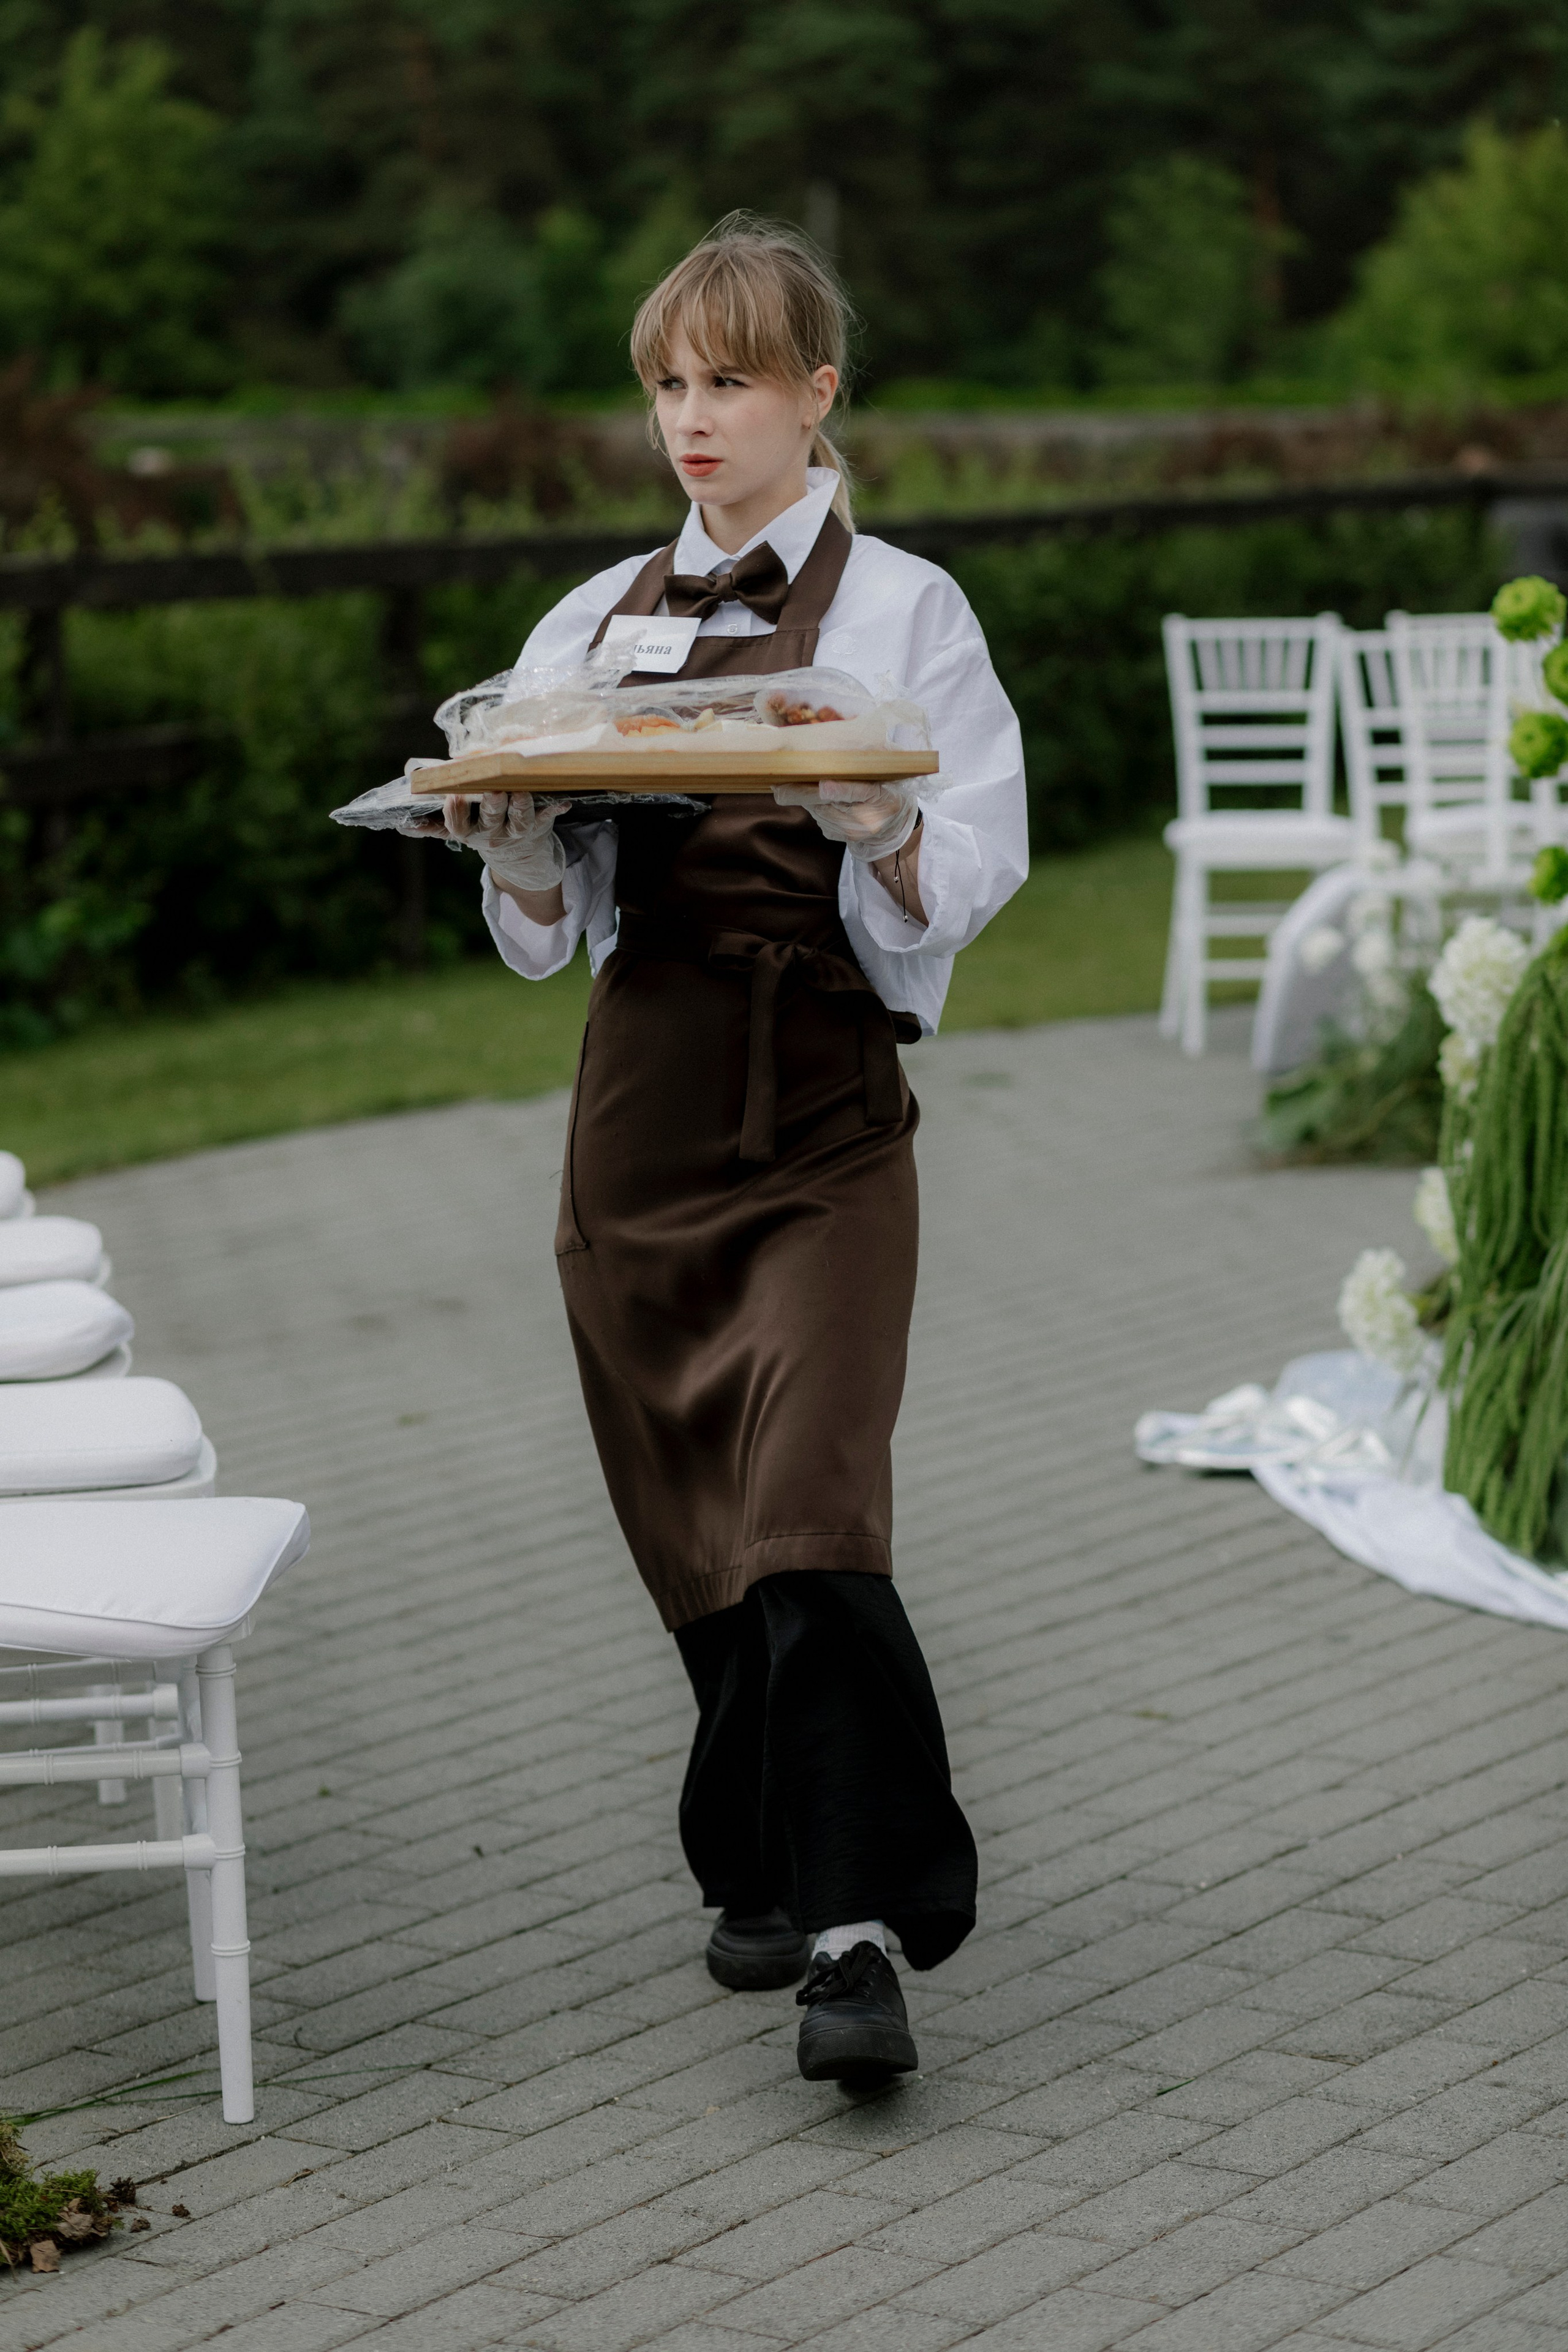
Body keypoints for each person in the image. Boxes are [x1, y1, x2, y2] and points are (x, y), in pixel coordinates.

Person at [439, 215, 1027, 2084]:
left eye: (734, 381)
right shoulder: (591, 623)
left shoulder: (906, 611)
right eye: (671, 385)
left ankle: (858, 1929)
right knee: (698, 1523)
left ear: (817, 392)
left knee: (813, 1508)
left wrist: (877, 824)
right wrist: (512, 845)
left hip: (826, 1110)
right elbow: (542, 927)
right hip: (643, 1122)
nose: (693, 421)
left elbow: (976, 863)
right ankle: (761, 1858)